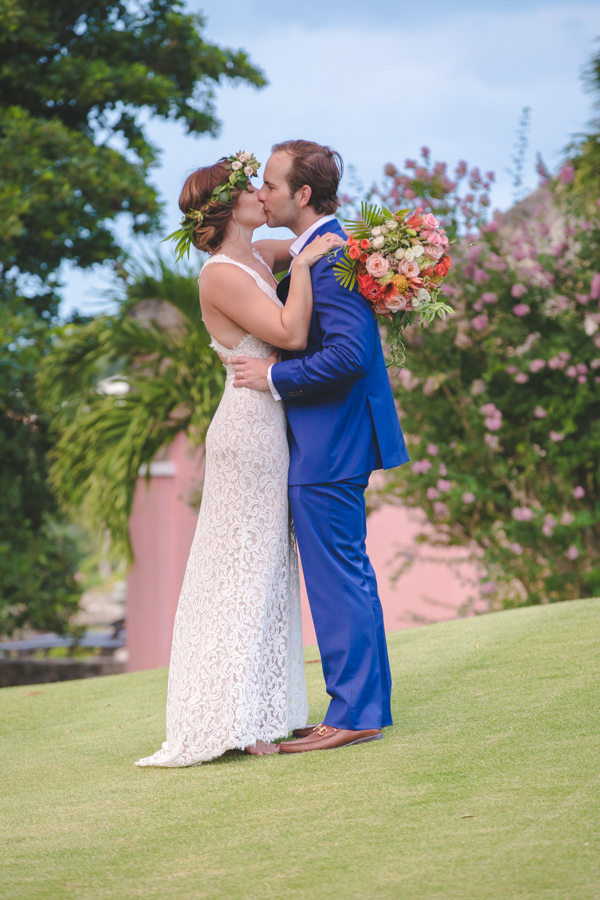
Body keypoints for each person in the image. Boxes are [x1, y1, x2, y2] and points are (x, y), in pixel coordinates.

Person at [135, 152, 344, 767]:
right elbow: (290, 334)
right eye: (251, 186)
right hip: (248, 431)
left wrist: (392, 250)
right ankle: (233, 717)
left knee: (271, 566)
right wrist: (303, 267)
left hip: (272, 424)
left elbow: (318, 234)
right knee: (244, 570)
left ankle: (263, 710)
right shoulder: (220, 274)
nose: (263, 193)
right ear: (227, 208)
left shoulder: (258, 254)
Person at [231, 140, 409, 753]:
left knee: (338, 580)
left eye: (272, 187)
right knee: (346, 575)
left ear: (303, 195)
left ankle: (356, 712)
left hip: (328, 443)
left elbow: (350, 356)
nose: (262, 194)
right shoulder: (318, 249)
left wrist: (274, 377)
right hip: (331, 440)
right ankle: (361, 705)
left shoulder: (330, 261)